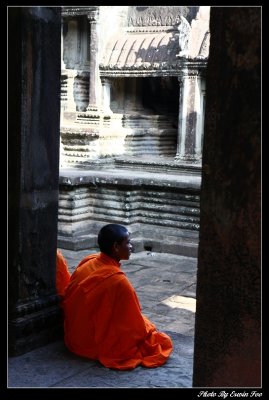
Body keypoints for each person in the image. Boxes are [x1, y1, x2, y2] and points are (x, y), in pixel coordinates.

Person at [62, 224, 173, 370]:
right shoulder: (118, 281)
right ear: (115, 247)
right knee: (157, 339)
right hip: (91, 344)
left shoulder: (88, 261)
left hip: (73, 335)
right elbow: (135, 327)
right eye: (127, 243)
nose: (131, 246)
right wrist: (149, 329)